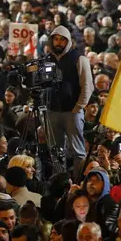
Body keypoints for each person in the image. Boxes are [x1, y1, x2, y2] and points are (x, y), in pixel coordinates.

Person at [46, 25, 94, 177]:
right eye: (56, 39)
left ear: (68, 42)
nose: (58, 43)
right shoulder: (47, 59)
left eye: (62, 40)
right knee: (55, 150)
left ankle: (78, 180)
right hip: (52, 111)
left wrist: (78, 107)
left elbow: (87, 86)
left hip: (72, 112)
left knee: (78, 151)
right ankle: (59, 181)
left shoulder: (79, 59)